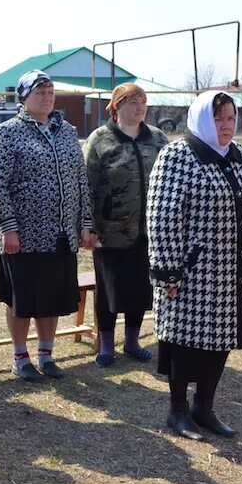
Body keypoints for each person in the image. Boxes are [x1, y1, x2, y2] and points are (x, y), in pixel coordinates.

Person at [148, 91, 242, 440]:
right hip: (192, 273)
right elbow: (163, 218)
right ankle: (178, 411)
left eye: (230, 118)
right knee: (186, 341)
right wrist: (167, 270)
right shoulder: (178, 157)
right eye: (218, 119)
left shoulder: (240, 155)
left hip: (233, 272)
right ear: (200, 119)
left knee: (223, 339)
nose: (225, 126)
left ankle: (205, 406)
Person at [0, 70, 95, 381]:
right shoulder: (7, 132)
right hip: (24, 234)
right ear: (24, 98)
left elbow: (80, 179)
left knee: (50, 297)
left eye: (50, 92)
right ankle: (20, 356)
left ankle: (46, 354)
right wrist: (9, 227)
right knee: (22, 298)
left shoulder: (67, 131)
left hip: (60, 232)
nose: (47, 98)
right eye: (40, 93)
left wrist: (85, 223)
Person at [84, 83, 168, 367]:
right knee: (108, 290)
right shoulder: (100, 140)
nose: (139, 107)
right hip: (110, 232)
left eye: (143, 101)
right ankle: (106, 345)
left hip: (149, 232)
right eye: (132, 102)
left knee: (139, 290)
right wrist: (89, 227)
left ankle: (132, 342)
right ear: (116, 106)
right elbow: (87, 187)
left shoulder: (157, 139)